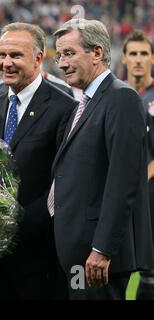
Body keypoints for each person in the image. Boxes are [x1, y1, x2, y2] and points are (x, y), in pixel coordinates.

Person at [50, 18, 154, 300]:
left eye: (69, 53)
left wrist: (102, 249)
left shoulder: (121, 98)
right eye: (59, 55)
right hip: (78, 249)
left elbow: (123, 181)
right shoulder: (85, 103)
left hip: (96, 257)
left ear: (96, 53)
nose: (61, 64)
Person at [0, 22, 76, 300]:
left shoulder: (63, 108)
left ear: (38, 58)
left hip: (38, 253)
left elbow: (63, 181)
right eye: (2, 55)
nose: (6, 63)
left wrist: (17, 225)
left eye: (16, 56)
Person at [121, 30, 154, 300]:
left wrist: (137, 178)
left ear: (152, 58)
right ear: (124, 58)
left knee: (149, 267)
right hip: (122, 196)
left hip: (149, 193)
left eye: (144, 54)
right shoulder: (117, 95)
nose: (139, 60)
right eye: (133, 54)